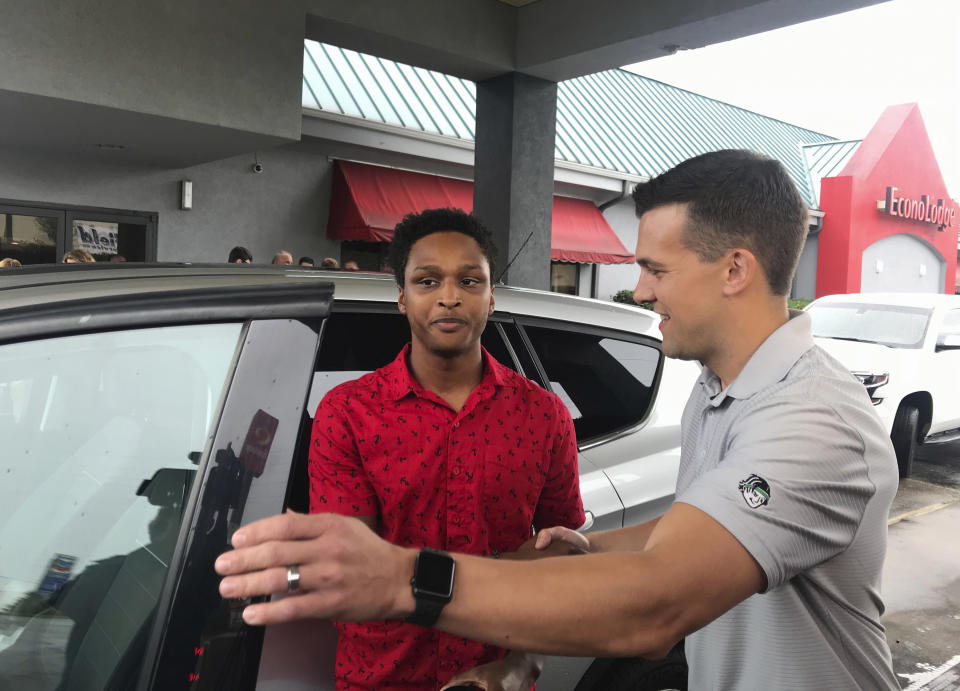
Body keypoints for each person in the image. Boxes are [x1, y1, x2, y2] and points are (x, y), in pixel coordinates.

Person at [216, 151, 901, 690]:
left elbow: (656, 606)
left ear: (735, 270)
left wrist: (405, 578)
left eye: (656, 268)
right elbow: (682, 531)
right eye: (426, 282)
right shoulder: (718, 392)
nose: (640, 290)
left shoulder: (814, 420)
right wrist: (581, 549)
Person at [305, 208, 584, 690]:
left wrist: (525, 663)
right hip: (380, 679)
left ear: (492, 296)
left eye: (470, 281)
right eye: (428, 281)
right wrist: (497, 574)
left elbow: (565, 563)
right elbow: (350, 570)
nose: (450, 297)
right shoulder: (347, 413)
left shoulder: (543, 416)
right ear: (402, 297)